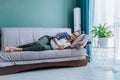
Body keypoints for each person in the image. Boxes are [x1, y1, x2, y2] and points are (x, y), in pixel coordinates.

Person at [2, 31, 87, 52]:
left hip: (51, 47)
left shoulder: (70, 44)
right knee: (38, 43)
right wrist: (59, 44)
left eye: (75, 36)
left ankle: (15, 49)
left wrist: (78, 43)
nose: (73, 36)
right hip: (48, 39)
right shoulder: (65, 34)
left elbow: (71, 47)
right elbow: (54, 37)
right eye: (73, 34)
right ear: (72, 33)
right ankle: (14, 48)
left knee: (41, 47)